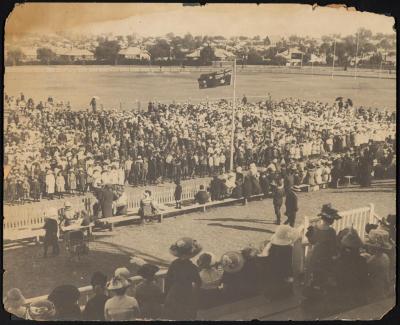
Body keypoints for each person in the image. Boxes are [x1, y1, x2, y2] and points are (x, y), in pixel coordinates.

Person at [305, 204, 341, 296]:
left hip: (316, 252)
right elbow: (333, 246)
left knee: (315, 271)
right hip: (326, 255)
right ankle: (321, 290)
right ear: (331, 220)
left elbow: (312, 241)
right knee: (324, 272)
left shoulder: (316, 228)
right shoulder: (331, 231)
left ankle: (314, 287)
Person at [164, 237, 202, 320]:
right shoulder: (193, 267)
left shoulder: (174, 264)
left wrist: (167, 293)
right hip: (186, 292)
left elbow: (168, 280)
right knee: (185, 313)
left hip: (174, 292)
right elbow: (198, 282)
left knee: (174, 313)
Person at [364, 229, 393, 302]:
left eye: (369, 246)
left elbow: (366, 273)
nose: (368, 247)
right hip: (382, 287)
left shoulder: (373, 260)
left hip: (374, 290)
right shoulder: (385, 256)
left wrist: (366, 260)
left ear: (374, 248)